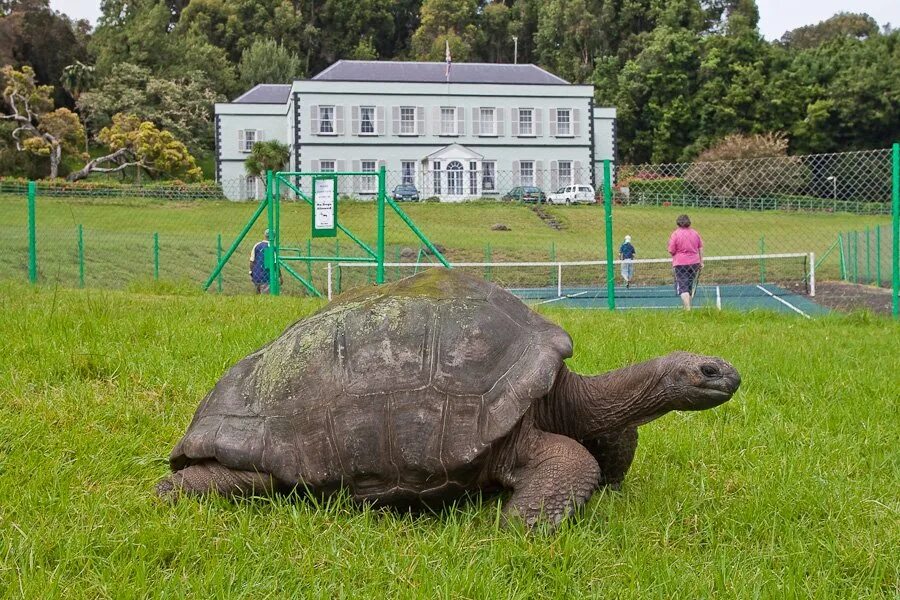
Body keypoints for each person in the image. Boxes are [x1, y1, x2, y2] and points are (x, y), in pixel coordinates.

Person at [667, 214, 703, 311]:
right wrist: (701, 261)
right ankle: (687, 307)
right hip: (694, 262)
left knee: (683, 287)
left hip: (680, 263)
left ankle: (687, 309)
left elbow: (671, 250)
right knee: (690, 286)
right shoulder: (695, 233)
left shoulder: (675, 234)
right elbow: (700, 247)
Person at [249, 229, 271, 294]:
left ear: (265, 235)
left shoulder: (257, 245)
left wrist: (251, 271)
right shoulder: (270, 247)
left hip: (256, 275)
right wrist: (279, 276)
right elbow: (269, 265)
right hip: (266, 277)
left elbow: (251, 261)